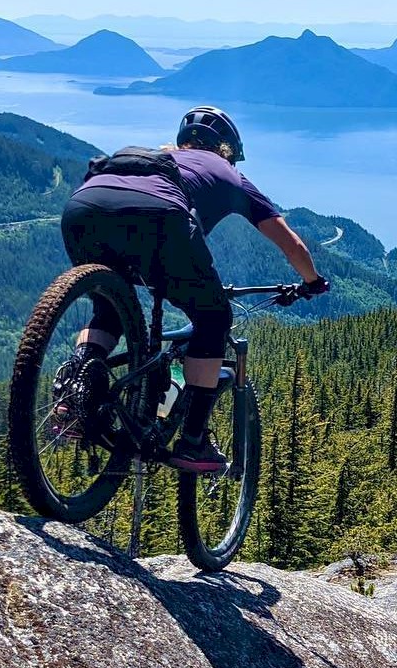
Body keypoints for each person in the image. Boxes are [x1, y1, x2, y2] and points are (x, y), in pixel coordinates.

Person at [54, 106, 329, 472]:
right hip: (160, 218)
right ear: (228, 149)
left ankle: (77, 383)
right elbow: (293, 246)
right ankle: (194, 441)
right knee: (213, 318)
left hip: (83, 209)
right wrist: (312, 282)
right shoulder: (231, 173)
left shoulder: (159, 157)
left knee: (109, 308)